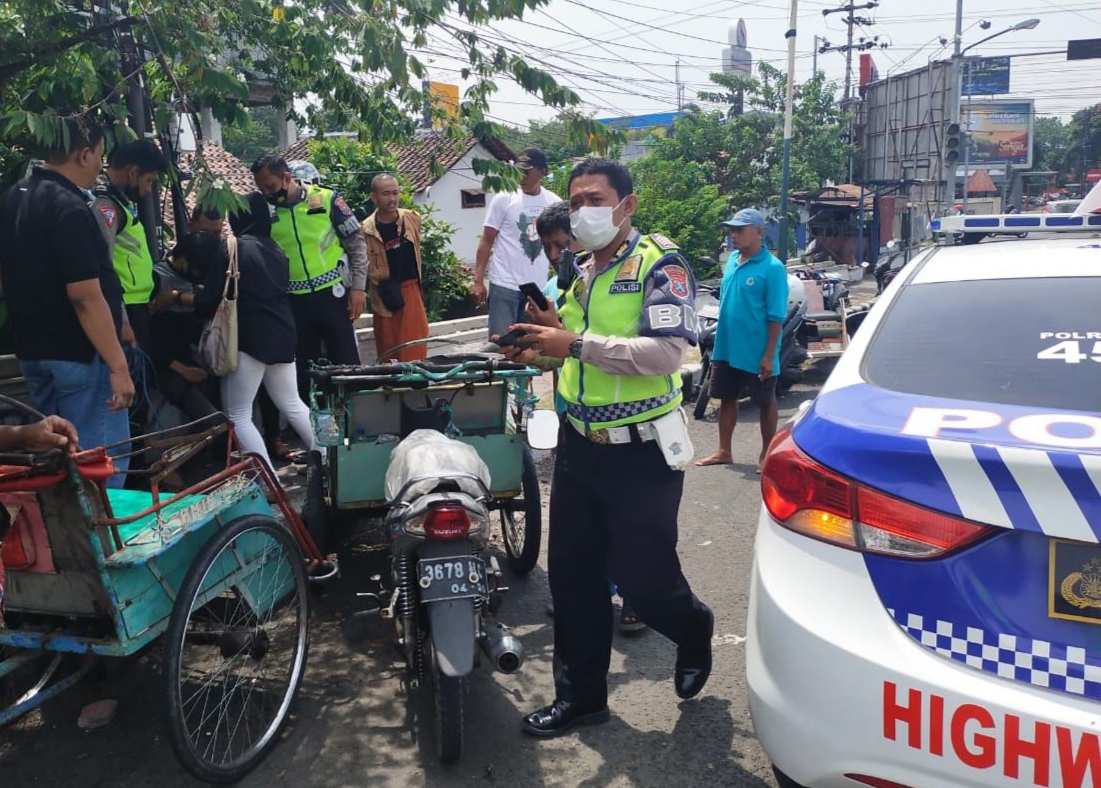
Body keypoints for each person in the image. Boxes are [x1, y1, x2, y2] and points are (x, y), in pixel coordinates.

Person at [507, 158, 713, 738]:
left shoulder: (659, 264)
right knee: (573, 578)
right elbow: (573, 353)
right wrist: (537, 347)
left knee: (644, 581)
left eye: (594, 200)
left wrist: (573, 343)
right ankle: (581, 698)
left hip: (641, 452)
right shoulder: (578, 270)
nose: (582, 212)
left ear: (627, 205)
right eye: (575, 202)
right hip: (579, 445)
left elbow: (668, 353)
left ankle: (692, 627)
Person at [508, 199, 648, 634]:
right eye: (548, 248)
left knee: (628, 521)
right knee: (584, 526)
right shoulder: (558, 287)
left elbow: (652, 353)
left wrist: (567, 342)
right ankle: (591, 594)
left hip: (627, 423)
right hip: (575, 419)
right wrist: (528, 353)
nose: (556, 255)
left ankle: (637, 595)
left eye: (561, 244)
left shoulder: (635, 273)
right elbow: (560, 356)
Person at [0, 117, 134, 486]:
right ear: (83, 154)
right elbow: (85, 296)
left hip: (34, 350)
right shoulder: (68, 207)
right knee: (98, 464)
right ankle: (104, 525)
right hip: (80, 353)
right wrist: (118, 366)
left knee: (58, 455)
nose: (99, 166)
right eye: (99, 156)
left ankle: (70, 525)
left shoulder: (11, 199)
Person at [191, 194, 318, 474]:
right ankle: (330, 464)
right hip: (283, 334)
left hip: (248, 339)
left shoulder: (231, 248)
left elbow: (209, 300)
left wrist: (182, 298)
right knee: (292, 404)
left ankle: (268, 480)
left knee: (238, 414)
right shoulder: (276, 249)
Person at [250, 155, 368, 398]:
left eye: (270, 186)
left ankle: (350, 415)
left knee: (346, 364)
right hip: (294, 301)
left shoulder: (327, 199)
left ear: (286, 177)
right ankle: (311, 419)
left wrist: (359, 287)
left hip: (333, 295)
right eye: (262, 189)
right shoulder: (265, 212)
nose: (267, 193)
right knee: (304, 370)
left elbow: (356, 244)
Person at [696, 209, 789, 471]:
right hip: (727, 346)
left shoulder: (772, 268)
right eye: (732, 230)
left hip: (757, 349)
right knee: (727, 397)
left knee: (765, 401)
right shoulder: (733, 261)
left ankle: (766, 454)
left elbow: (775, 316)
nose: (733, 235)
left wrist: (769, 355)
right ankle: (724, 451)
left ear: (759, 231)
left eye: (740, 230)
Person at [91, 139, 169, 440]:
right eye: (148, 180)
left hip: (136, 310)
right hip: (124, 316)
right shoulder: (106, 205)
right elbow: (102, 266)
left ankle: (137, 459)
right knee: (129, 398)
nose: (148, 190)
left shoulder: (121, 203)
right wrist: (121, 318)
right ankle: (131, 464)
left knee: (138, 392)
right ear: (134, 172)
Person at [473, 147, 562, 339]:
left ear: (543, 172)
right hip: (504, 284)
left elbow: (561, 246)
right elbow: (486, 240)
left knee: (533, 345)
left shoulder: (553, 202)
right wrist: (478, 281)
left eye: (527, 172)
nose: (521, 177)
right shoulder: (504, 198)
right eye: (518, 171)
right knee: (502, 343)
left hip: (537, 288)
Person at [361, 173, 430, 362]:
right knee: (388, 351)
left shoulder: (411, 218)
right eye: (385, 194)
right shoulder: (365, 229)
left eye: (395, 193)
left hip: (411, 290)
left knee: (414, 350)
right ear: (374, 196)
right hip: (383, 294)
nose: (392, 199)